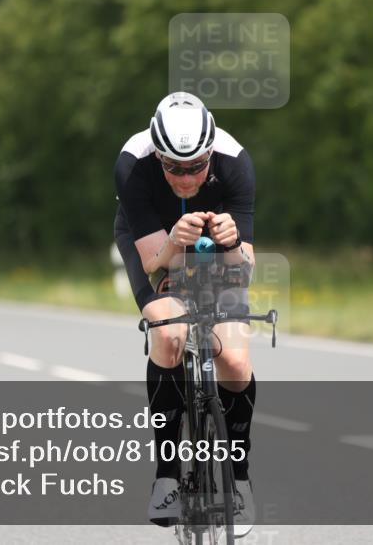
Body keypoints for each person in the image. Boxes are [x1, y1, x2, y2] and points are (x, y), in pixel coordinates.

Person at [114, 92, 258, 535]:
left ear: (210, 152)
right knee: (169, 334)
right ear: (158, 155)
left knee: (233, 359)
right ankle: (167, 473)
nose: (185, 177)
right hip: (155, 242)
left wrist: (232, 244)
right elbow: (155, 262)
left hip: (217, 251)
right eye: (173, 167)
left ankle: (238, 476)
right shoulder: (133, 164)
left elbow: (246, 269)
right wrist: (175, 240)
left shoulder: (235, 162)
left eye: (196, 165)